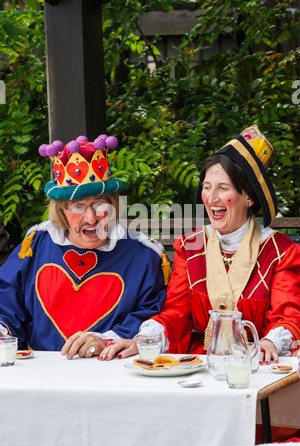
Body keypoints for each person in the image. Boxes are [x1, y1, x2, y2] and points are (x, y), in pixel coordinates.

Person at [99, 125, 300, 363]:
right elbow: (176, 313)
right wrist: (143, 340)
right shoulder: (190, 246)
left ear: (248, 197)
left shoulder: (280, 251)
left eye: (223, 188)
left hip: (258, 363)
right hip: (201, 363)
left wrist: (269, 342)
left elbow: (288, 316)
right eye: (207, 187)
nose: (211, 197)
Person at [0, 134, 167, 358]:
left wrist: (108, 339)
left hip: (115, 374)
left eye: (99, 204)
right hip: (43, 375)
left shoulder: (145, 256)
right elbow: (7, 307)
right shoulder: (35, 246)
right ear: (62, 211)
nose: (91, 218)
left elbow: (153, 319)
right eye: (78, 206)